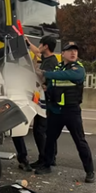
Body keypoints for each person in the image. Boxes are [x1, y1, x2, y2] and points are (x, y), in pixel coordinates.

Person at [34, 42, 95, 183]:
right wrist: (46, 87)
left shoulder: (78, 68)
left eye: (75, 51)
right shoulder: (58, 68)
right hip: (56, 111)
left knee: (80, 141)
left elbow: (69, 76)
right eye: (70, 51)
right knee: (50, 139)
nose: (73, 53)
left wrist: (46, 74)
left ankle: (89, 171)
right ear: (62, 54)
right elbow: (52, 85)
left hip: (71, 111)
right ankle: (47, 164)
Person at [24, 35, 60, 168]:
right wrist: (28, 43)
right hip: (45, 101)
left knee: (40, 130)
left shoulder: (50, 62)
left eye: (40, 44)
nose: (38, 47)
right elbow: (37, 52)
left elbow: (46, 78)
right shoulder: (48, 58)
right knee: (45, 130)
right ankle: (49, 157)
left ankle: (45, 159)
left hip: (46, 101)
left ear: (45, 46)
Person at [0, 47, 32, 171]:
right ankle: (23, 159)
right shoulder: (11, 71)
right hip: (10, 105)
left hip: (1, 106)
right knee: (16, 133)